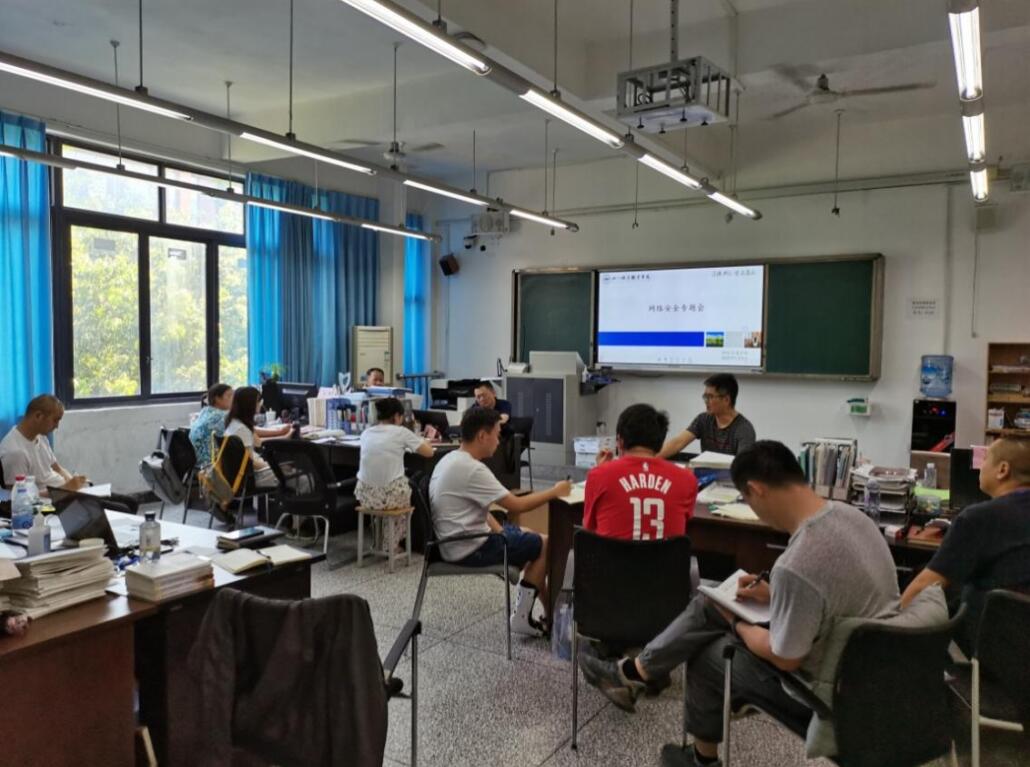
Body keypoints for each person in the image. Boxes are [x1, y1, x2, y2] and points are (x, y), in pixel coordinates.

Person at [579, 441, 899, 767]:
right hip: (879, 669)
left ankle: (698, 756)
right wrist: (774, 593)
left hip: (828, 691)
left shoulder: (798, 562)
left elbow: (785, 657)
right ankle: (635, 673)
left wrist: (737, 623)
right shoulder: (852, 517)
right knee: (710, 605)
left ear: (756, 489)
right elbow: (832, 587)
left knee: (707, 653)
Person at [430, 408, 571, 636]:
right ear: (482, 436)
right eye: (496, 434)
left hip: (455, 542)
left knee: (532, 537)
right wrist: (555, 492)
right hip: (470, 547)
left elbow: (480, 509)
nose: (499, 441)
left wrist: (502, 532)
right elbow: (516, 505)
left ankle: (550, 616)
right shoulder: (472, 469)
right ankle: (523, 617)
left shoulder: (451, 459)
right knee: (544, 544)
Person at [901, 438, 1030, 653]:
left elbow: (925, 585)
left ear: (1002, 470)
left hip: (997, 649)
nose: (980, 467)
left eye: (985, 459)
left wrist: (887, 629)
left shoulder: (980, 518)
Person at [585, 403, 698, 541]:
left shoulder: (598, 475)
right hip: (665, 556)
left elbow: (589, 527)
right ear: (660, 443)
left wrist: (602, 472)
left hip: (613, 555)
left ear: (620, 442)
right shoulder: (687, 479)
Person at [356, 396, 433, 512]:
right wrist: (424, 440)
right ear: (397, 416)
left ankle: (378, 523)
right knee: (413, 482)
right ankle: (399, 525)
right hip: (391, 498)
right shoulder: (401, 432)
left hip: (365, 497)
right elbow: (429, 453)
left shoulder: (366, 433)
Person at [0, 395, 88, 493]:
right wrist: (66, 489)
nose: (57, 426)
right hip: (50, 500)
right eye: (55, 420)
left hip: (62, 493)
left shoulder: (41, 437)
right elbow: (19, 496)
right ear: (38, 416)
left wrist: (74, 484)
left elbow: (57, 469)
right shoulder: (15, 452)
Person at [660, 373, 756, 458]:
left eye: (710, 397)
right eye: (705, 397)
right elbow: (678, 442)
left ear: (726, 400)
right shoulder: (703, 419)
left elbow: (743, 465)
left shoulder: (744, 429)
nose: (706, 401)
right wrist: (652, 459)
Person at [224, 387, 278, 488]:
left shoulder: (234, 423)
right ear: (249, 404)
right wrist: (274, 467)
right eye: (258, 401)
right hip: (252, 478)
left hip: (243, 476)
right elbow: (251, 463)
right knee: (302, 478)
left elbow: (258, 444)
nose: (260, 404)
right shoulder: (242, 430)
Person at [189, 384, 234, 467]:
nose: (233, 399)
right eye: (229, 395)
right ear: (217, 399)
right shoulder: (223, 415)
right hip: (212, 463)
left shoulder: (205, 411)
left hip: (197, 462)